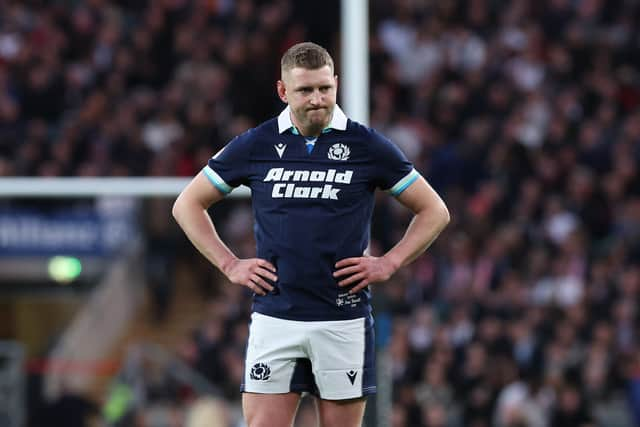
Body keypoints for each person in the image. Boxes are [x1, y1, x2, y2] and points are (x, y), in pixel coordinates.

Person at [172, 42, 450, 427]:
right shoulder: (258, 143)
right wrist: (229, 263)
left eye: (325, 88)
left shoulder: (365, 145)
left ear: (336, 83)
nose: (318, 99)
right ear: (283, 92)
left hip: (342, 319)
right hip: (276, 316)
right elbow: (187, 204)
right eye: (306, 90)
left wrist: (390, 262)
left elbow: (434, 210)